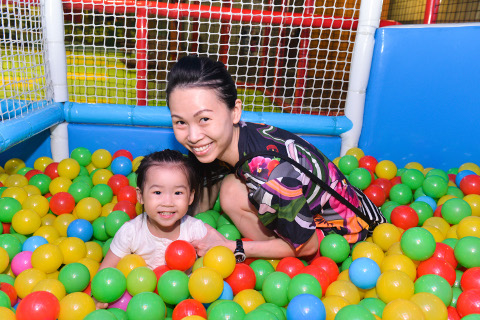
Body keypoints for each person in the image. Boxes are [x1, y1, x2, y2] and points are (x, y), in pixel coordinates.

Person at [166, 55, 386, 261]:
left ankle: (275, 251)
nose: (193, 136)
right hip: (355, 206)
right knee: (231, 188)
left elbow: (308, 246)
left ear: (235, 111)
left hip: (347, 239)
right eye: (180, 122)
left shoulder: (267, 174)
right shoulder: (240, 137)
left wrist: (232, 246)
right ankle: (276, 244)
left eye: (204, 119)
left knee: (233, 192)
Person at [95, 149, 208, 308]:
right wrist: (98, 299)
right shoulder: (130, 232)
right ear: (140, 196)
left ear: (190, 196)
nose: (167, 201)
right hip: (139, 304)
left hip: (185, 303)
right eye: (157, 192)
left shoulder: (196, 230)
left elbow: (214, 268)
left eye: (177, 192)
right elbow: (105, 274)